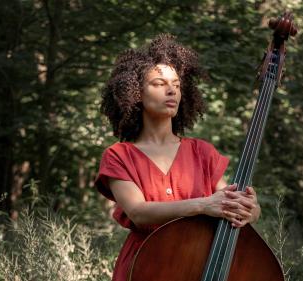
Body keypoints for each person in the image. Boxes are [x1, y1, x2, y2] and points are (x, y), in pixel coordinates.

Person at [95, 34, 261, 281]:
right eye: (159, 83)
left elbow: (229, 204)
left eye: (176, 84)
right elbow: (139, 212)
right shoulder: (118, 156)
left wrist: (250, 208)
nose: (171, 90)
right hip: (145, 266)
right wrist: (202, 205)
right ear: (136, 93)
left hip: (198, 264)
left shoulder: (202, 152)